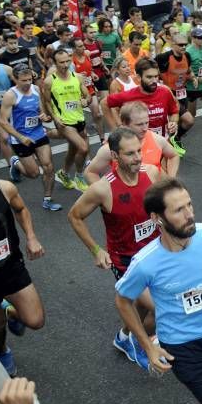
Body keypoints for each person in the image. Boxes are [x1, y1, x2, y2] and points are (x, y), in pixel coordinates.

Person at [115, 178, 202, 404]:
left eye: (190, 205)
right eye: (179, 210)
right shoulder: (145, 262)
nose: (190, 214)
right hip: (181, 343)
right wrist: (148, 346)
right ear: (157, 218)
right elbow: (123, 301)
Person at [68, 128, 161, 371]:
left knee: (142, 308)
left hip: (155, 253)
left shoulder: (150, 173)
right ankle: (140, 342)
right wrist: (96, 250)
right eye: (130, 154)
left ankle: (124, 337)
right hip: (127, 262)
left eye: (139, 151)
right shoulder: (103, 189)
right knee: (162, 308)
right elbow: (75, 216)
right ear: (115, 156)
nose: (138, 158)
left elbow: (162, 206)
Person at [0, 137, 45, 377]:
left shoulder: (3, 187)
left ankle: (10, 310)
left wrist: (31, 237)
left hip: (11, 267)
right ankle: (2, 350)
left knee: (35, 320)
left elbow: (21, 209)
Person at [0, 65, 61, 210]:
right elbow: (3, 121)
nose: (27, 83)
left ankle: (47, 199)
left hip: (39, 133)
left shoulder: (36, 89)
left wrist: (44, 116)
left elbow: (41, 110)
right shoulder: (10, 95)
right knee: (33, 174)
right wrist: (20, 137)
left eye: (29, 79)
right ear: (15, 79)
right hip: (20, 138)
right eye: (23, 80)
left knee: (48, 167)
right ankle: (15, 163)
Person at [84, 101, 180, 182]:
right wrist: (106, 197)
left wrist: (171, 180)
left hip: (155, 197)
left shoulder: (157, 139)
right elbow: (90, 172)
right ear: (125, 124)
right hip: (128, 200)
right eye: (139, 124)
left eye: (146, 122)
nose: (145, 128)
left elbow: (174, 156)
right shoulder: (110, 147)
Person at [42, 49, 91, 191]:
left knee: (73, 149)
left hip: (79, 118)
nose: (65, 65)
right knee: (83, 148)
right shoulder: (50, 81)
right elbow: (46, 101)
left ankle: (63, 173)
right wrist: (55, 117)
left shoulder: (78, 77)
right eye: (61, 62)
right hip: (64, 121)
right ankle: (79, 176)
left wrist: (85, 101)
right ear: (54, 63)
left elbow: (88, 96)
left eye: (67, 61)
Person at [103, 57, 182, 143]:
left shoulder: (165, 92)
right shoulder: (129, 95)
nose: (154, 81)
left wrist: (173, 123)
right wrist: (115, 129)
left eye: (156, 76)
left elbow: (174, 112)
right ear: (139, 77)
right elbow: (104, 104)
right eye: (149, 77)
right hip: (140, 146)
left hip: (163, 142)